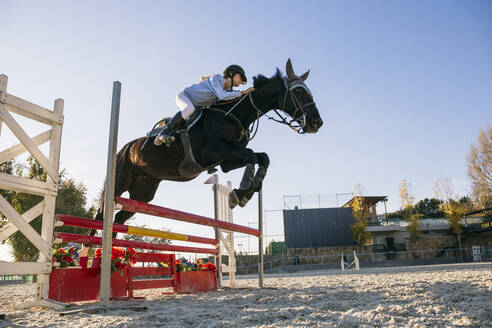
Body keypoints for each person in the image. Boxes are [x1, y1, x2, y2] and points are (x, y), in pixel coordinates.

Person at [154, 65, 255, 146]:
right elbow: (222, 96)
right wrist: (242, 92)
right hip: (185, 96)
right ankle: (163, 133)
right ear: (231, 73)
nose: (241, 81)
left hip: (197, 107)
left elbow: (226, 99)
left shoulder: (227, 91)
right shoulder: (217, 78)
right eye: (240, 77)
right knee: (190, 109)